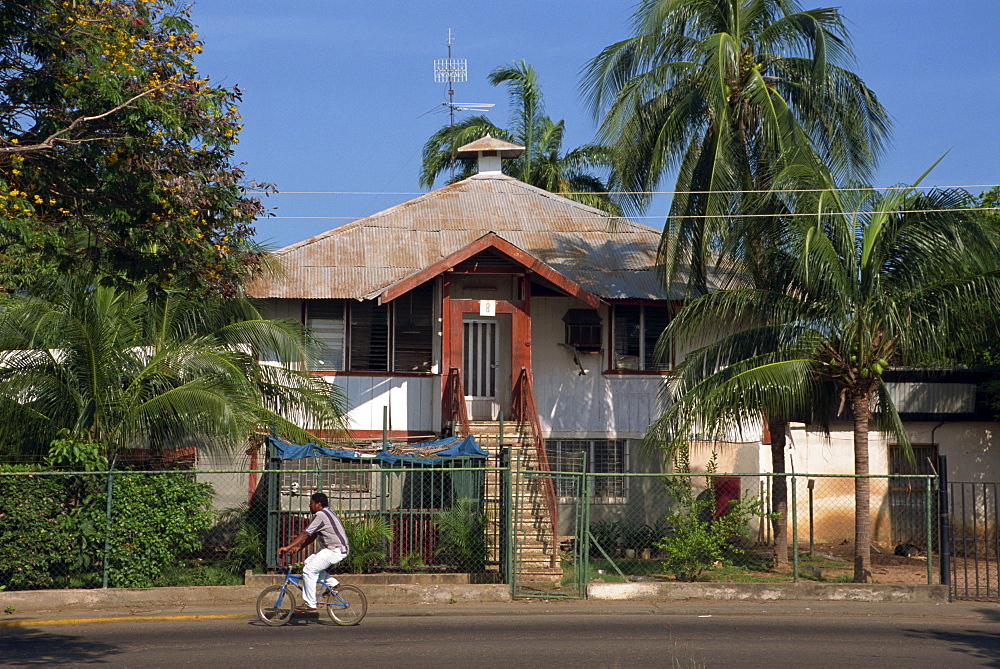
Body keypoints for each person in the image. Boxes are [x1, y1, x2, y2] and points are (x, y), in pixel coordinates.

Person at [278, 492, 350, 612]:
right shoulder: (326, 513)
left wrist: (287, 547)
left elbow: (305, 533)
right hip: (332, 549)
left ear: (318, 504)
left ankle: (310, 604)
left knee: (309, 570)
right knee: (308, 563)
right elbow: (312, 535)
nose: (309, 505)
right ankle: (333, 583)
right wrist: (299, 548)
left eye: (311, 503)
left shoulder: (321, 515)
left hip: (335, 550)